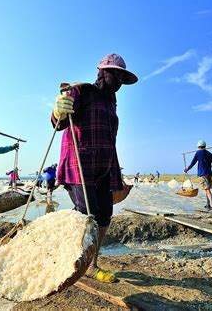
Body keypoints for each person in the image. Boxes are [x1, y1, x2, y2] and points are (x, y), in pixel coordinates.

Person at [51, 53, 137, 283]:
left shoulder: (111, 103)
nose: (119, 81)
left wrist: (116, 173)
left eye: (122, 77)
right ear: (104, 72)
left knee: (104, 217)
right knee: (85, 217)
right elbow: (58, 123)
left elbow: (110, 139)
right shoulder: (83, 91)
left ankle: (91, 264)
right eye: (117, 75)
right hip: (80, 165)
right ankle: (71, 261)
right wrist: (58, 110)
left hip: (105, 167)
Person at [184, 140, 212, 210]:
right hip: (209, 174)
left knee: (207, 189)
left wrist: (187, 169)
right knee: (207, 189)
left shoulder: (198, 153)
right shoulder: (209, 153)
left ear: (198, 147)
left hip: (202, 174)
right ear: (205, 146)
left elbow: (193, 163)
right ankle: (208, 204)